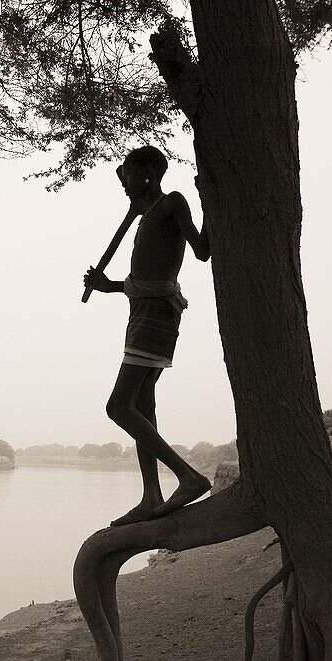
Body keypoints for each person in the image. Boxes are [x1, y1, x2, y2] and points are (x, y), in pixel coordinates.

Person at [83, 146, 213, 526]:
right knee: (141, 404)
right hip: (141, 311)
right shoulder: (144, 214)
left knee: (118, 407)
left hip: (156, 315)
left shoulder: (171, 203)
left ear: (148, 175)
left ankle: (188, 477)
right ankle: (151, 496)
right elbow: (144, 278)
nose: (124, 187)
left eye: (130, 177)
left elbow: (203, 251)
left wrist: (209, 200)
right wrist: (108, 287)